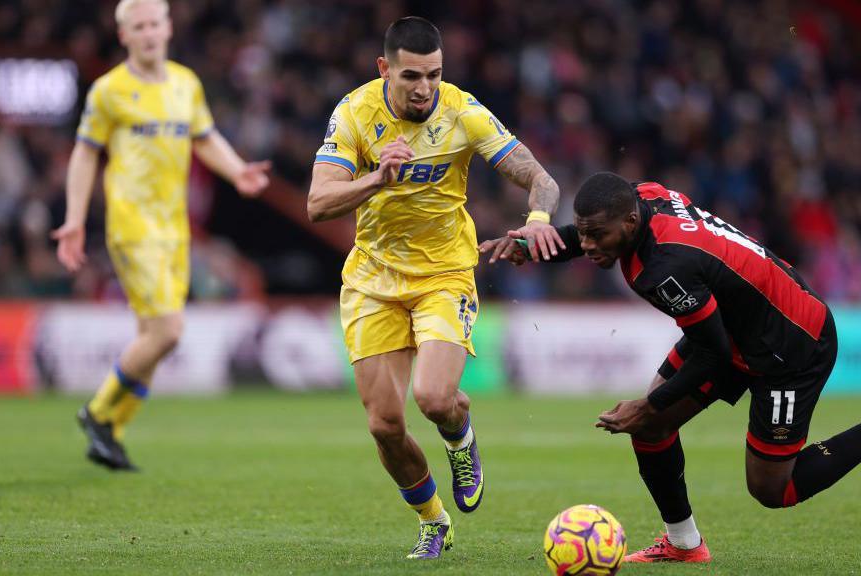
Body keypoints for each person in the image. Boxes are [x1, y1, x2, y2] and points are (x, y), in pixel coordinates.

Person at [480, 172, 861, 564]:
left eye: (596, 236)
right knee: (653, 427)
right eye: (580, 232)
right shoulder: (644, 198)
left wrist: (647, 403)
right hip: (736, 324)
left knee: (773, 488)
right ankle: (684, 544)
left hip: (791, 344)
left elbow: (711, 353)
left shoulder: (665, 267)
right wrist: (538, 245)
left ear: (629, 221)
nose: (586, 245)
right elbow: (708, 340)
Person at [306, 17, 562, 559]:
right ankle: (433, 520)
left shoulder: (462, 112)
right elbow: (317, 203)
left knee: (433, 398)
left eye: (435, 75)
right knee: (384, 425)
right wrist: (377, 177)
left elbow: (541, 177)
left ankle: (459, 433)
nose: (425, 88)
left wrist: (539, 216)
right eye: (412, 76)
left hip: (444, 275)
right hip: (372, 280)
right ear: (385, 70)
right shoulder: (354, 113)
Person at [53, 0, 271, 471]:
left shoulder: (184, 84)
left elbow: (206, 137)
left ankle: (111, 430)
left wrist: (238, 173)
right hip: (132, 226)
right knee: (169, 330)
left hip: (176, 229)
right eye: (139, 27)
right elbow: (85, 154)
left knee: (153, 334)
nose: (149, 33)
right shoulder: (109, 91)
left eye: (155, 24)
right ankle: (96, 412)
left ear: (168, 28)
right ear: (125, 35)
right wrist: (73, 218)